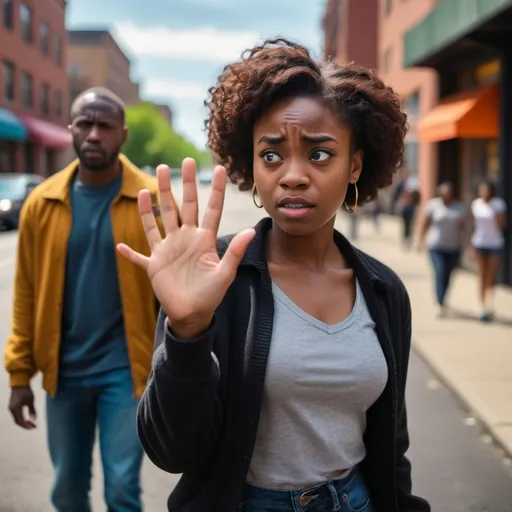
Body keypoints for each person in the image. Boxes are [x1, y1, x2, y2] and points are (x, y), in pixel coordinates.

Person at [118, 39, 430, 512]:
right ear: (253, 169)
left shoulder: (384, 290)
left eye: (320, 154)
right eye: (272, 155)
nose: (293, 175)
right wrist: (187, 332)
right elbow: (171, 451)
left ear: (355, 166)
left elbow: (392, 444)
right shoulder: (216, 278)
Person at [4, 87, 165, 512]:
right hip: (64, 373)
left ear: (123, 134)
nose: (94, 134)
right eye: (85, 124)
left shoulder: (152, 201)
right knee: (67, 491)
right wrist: (19, 375)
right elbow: (26, 293)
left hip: (127, 374)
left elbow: (175, 297)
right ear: (71, 129)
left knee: (122, 490)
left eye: (105, 126)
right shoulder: (42, 202)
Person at [417, 182, 466, 317]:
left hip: (453, 247)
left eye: (449, 194)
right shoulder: (433, 206)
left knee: (448, 274)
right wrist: (420, 240)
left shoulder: (459, 208)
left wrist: (466, 245)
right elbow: (425, 223)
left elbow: (463, 228)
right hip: (435, 246)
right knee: (440, 271)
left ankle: (443, 298)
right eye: (444, 194)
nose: (446, 197)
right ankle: (439, 302)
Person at [470, 180, 507, 321]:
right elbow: (474, 226)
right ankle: (482, 305)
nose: (484, 193)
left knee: (491, 276)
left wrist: (497, 216)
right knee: (481, 275)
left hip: (494, 243)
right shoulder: (476, 204)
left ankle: (490, 304)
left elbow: (503, 225)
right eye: (481, 190)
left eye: (486, 190)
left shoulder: (498, 204)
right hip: (479, 242)